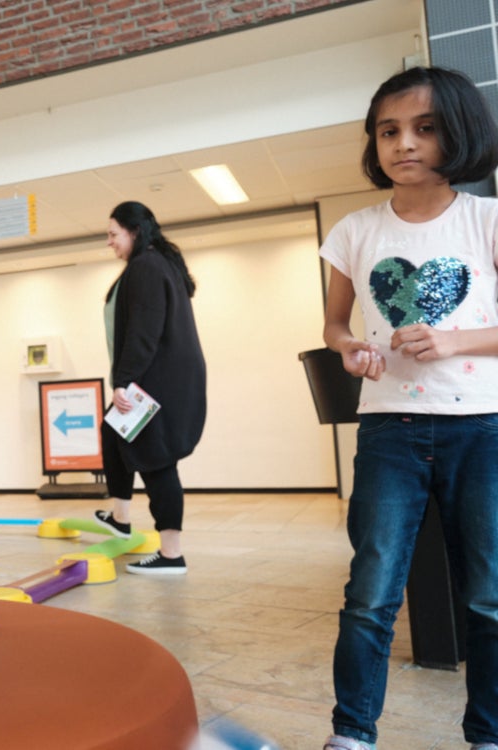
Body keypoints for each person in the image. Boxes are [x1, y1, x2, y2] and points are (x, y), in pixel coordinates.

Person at [319, 67, 498, 750]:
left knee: (489, 596)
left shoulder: (487, 219)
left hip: (482, 427)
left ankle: (487, 734)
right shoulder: (354, 231)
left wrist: (452, 338)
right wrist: (349, 351)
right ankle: (352, 733)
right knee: (370, 593)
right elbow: (337, 325)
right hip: (388, 428)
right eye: (389, 130)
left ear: (458, 133)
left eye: (425, 128)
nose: (405, 144)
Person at [91, 200, 206, 575]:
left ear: (134, 231)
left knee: (157, 463)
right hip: (168, 379)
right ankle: (121, 516)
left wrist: (122, 381)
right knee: (113, 431)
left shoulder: (145, 266)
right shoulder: (158, 263)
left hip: (158, 381)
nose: (109, 242)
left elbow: (144, 329)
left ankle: (172, 555)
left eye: (113, 234)